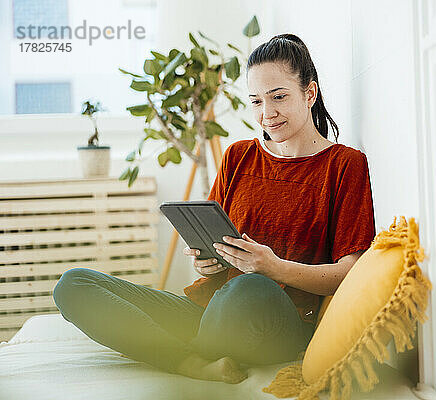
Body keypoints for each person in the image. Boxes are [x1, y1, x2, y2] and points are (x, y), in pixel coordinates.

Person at [52, 33, 376, 385]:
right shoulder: (238, 156)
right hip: (211, 309)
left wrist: (273, 268)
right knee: (73, 284)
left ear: (309, 93)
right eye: (256, 101)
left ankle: (158, 346)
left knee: (252, 288)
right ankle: (188, 360)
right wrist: (205, 261)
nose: (267, 114)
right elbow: (215, 245)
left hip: (275, 318)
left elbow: (349, 273)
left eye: (278, 97)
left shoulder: (345, 164)